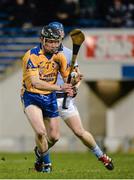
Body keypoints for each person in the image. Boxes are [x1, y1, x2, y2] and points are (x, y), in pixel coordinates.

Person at [34, 22, 114, 173]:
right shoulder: (39, 53)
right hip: (47, 98)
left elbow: (77, 75)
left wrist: (75, 89)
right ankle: (40, 156)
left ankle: (101, 155)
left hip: (65, 99)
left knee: (79, 131)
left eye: (59, 34)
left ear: (62, 35)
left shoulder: (69, 53)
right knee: (51, 137)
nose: (56, 38)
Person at [21, 25, 74, 172]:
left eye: (56, 42)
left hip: (49, 97)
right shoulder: (31, 55)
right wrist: (60, 88)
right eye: (50, 41)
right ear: (42, 40)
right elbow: (35, 82)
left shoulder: (60, 57)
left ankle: (39, 154)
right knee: (40, 132)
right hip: (31, 96)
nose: (53, 45)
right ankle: (47, 165)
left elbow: (67, 78)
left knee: (55, 137)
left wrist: (74, 82)